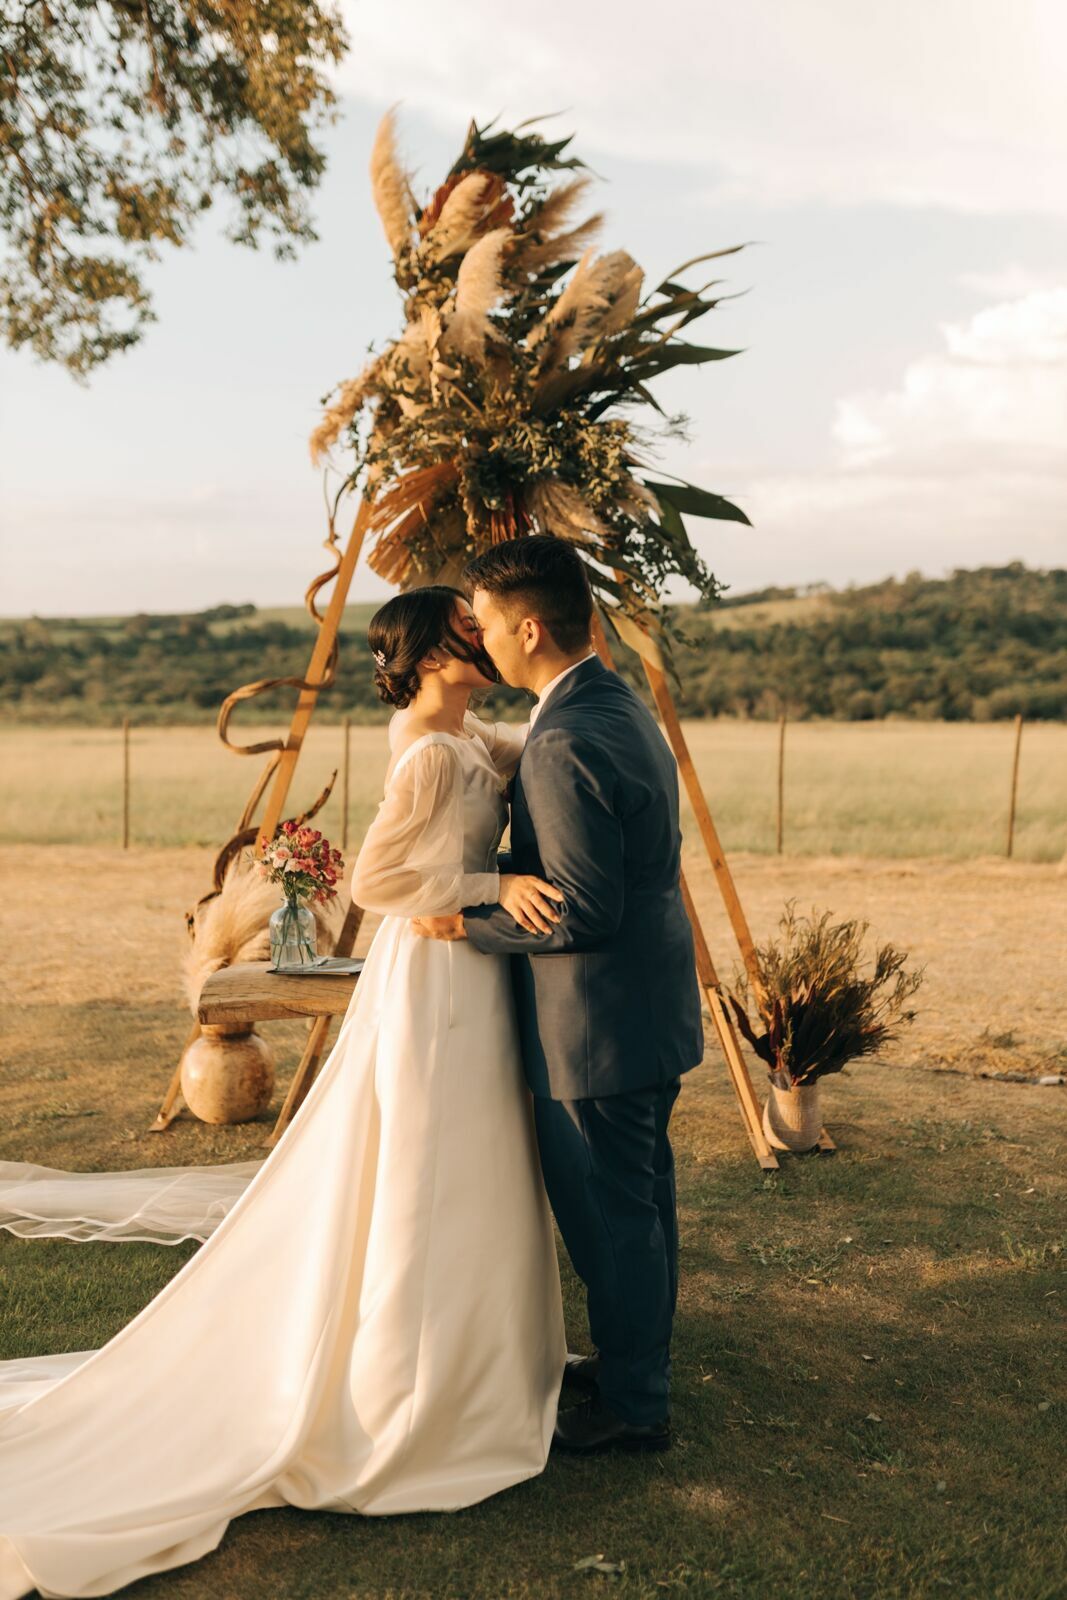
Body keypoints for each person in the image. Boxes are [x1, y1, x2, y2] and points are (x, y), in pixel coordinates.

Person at [0, 586, 566, 1600]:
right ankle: (416, 1390)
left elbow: (510, 760)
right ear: (434, 653)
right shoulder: (434, 749)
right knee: (434, 1168)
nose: (482, 642)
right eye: (467, 633)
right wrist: (491, 888)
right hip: (439, 978)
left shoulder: (454, 728)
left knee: (454, 1161)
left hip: (460, 974)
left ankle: (462, 1364)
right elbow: (384, 881)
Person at [413, 536, 705, 1454]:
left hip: (595, 1023)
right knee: (642, 1199)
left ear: (528, 627)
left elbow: (581, 907)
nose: (482, 641)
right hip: (646, 1002)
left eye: (489, 625)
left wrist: (468, 920)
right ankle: (633, 1364)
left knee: (612, 1214)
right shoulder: (615, 701)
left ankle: (633, 1407)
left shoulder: (564, 737)